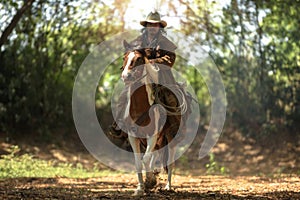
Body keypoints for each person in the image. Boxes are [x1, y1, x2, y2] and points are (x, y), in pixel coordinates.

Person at [109, 11, 188, 138]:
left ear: (159, 27)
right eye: (150, 25)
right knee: (123, 98)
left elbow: (170, 58)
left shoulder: (165, 42)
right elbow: (130, 54)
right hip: (139, 77)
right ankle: (119, 126)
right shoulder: (138, 41)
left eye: (155, 25)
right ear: (146, 26)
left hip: (161, 77)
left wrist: (153, 61)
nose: (152, 27)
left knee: (171, 100)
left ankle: (175, 130)